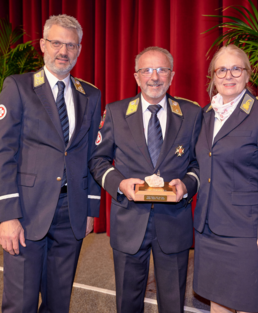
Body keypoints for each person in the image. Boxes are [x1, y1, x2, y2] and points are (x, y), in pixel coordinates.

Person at [0, 14, 101, 312]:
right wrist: (7, 216)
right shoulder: (18, 87)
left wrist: (91, 208)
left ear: (79, 49)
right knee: (21, 302)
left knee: (58, 301)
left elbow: (93, 155)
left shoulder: (90, 95)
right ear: (43, 45)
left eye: (71, 45)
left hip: (71, 211)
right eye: (56, 43)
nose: (63, 51)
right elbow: (2, 154)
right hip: (27, 210)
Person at [89, 46, 202, 313]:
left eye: (161, 69)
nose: (154, 77)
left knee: (173, 302)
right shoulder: (115, 113)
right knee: (127, 302)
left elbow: (200, 164)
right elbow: (98, 160)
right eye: (147, 70)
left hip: (174, 221)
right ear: (136, 77)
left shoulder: (192, 114)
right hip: (129, 221)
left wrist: (187, 185)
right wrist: (119, 184)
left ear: (172, 76)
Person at [193, 44, 258, 313]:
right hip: (209, 226)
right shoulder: (206, 115)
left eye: (236, 69)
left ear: (248, 75)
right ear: (212, 77)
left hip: (246, 229)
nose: (228, 75)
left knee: (247, 303)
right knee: (216, 298)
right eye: (222, 70)